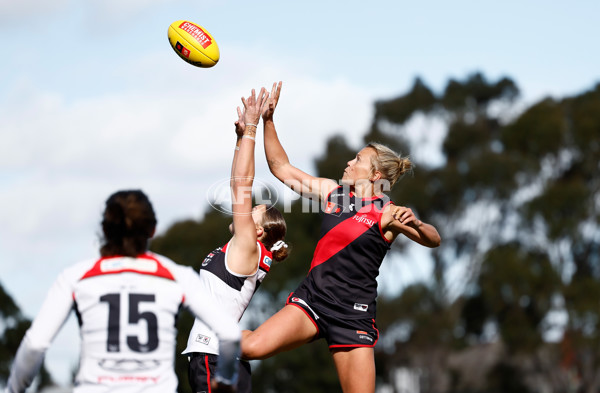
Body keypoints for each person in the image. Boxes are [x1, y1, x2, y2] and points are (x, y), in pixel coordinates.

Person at [241, 82, 442, 393]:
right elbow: (282, 168)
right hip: (312, 300)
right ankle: (207, 337)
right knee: (250, 347)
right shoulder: (333, 194)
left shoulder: (388, 212)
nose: (350, 163)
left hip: (352, 314)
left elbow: (433, 239)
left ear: (375, 176)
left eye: (358, 160)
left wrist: (416, 222)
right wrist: (268, 121)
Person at [5, 190, 240, 393]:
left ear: (105, 230)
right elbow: (229, 333)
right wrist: (225, 380)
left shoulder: (76, 277)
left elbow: (35, 344)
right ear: (153, 230)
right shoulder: (177, 276)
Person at [182, 88, 290, 393]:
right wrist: (240, 139)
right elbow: (237, 182)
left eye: (253, 212)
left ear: (259, 232)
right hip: (216, 356)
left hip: (213, 357)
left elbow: (241, 185)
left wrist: (253, 128)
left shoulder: (248, 248)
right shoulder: (246, 248)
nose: (246, 209)